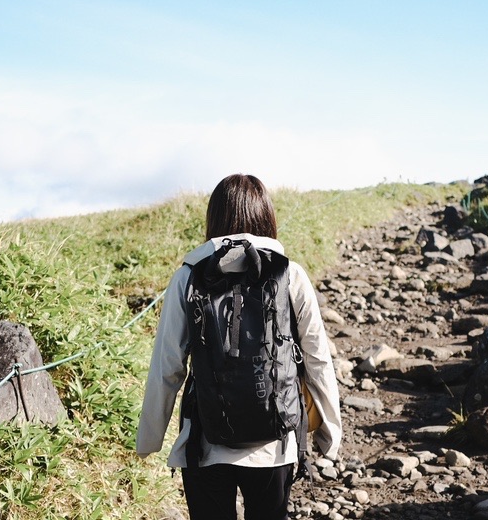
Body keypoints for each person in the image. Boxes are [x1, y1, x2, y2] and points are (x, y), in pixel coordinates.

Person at [137, 173, 342, 520]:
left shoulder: (189, 275)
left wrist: (150, 439)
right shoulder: (290, 274)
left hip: (204, 445)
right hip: (274, 445)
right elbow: (318, 359)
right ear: (267, 216)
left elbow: (167, 366)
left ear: (214, 217)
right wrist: (329, 434)